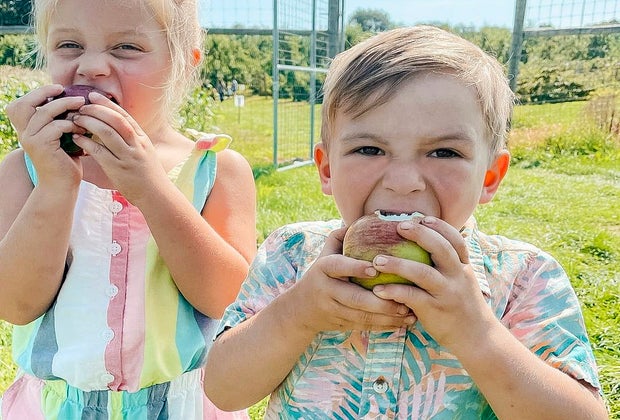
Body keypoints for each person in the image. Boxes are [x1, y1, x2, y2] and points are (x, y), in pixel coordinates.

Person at [203, 26, 608, 419]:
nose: (403, 182)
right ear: (327, 169)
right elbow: (224, 389)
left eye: (444, 153)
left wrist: (477, 334)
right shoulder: (290, 257)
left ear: (490, 176)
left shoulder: (523, 279)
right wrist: (298, 313)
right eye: (368, 148)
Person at [0, 0, 256, 418]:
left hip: (180, 406)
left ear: (183, 65)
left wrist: (152, 188)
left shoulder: (217, 170)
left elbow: (225, 299)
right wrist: (56, 185)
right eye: (69, 44)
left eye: (126, 48)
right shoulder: (23, 170)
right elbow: (14, 304)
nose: (93, 66)